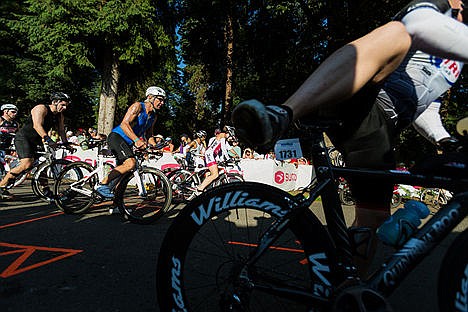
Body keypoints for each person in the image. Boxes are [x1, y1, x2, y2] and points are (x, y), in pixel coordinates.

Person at [232, 0, 468, 275]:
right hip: (359, 100)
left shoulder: (457, 54)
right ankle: (283, 114)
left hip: (379, 130)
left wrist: (443, 139)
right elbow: (416, 25)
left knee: (373, 219)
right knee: (398, 33)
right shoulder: (439, 7)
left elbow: (427, 107)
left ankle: (344, 290)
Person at [95, 86, 166, 207]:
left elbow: (149, 135)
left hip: (129, 142)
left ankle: (116, 204)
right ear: (150, 97)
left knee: (125, 173)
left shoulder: (153, 116)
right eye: (159, 99)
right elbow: (124, 124)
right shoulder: (138, 106)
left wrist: (155, 147)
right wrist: (137, 140)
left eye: (163, 100)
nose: (162, 103)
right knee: (131, 164)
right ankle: (102, 185)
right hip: (117, 137)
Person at [0, 92, 71, 199]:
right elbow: (37, 125)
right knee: (27, 164)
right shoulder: (41, 108)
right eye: (63, 105)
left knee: (43, 165)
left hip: (37, 140)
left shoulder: (59, 115)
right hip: (24, 138)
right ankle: (2, 186)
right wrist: (48, 139)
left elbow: (61, 130)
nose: (64, 108)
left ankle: (45, 190)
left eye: (66, 105)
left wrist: (66, 143)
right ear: (55, 102)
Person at [191, 126, 240, 198]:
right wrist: (228, 158)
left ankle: (204, 188)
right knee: (215, 174)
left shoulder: (223, 137)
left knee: (210, 173)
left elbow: (228, 148)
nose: (231, 139)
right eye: (232, 137)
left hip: (211, 155)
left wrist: (235, 155)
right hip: (210, 154)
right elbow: (223, 148)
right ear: (230, 133)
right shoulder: (222, 135)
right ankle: (199, 189)